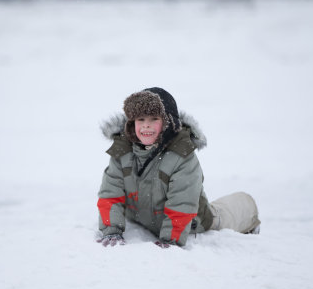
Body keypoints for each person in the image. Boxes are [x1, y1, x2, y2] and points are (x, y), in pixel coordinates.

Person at [96, 87, 260, 248]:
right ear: (132, 123)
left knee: (220, 216)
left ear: (168, 123)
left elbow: (182, 204)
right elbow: (110, 194)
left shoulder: (181, 155)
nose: (146, 125)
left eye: (154, 119)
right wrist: (111, 230)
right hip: (143, 215)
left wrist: (170, 240)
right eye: (141, 119)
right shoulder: (122, 151)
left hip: (193, 220)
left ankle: (248, 210)